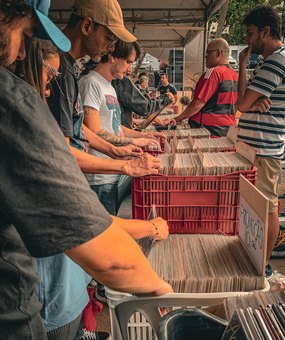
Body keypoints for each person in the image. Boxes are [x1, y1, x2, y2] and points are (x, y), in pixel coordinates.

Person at [0, 1, 172, 339]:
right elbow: (103, 253)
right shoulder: (12, 103)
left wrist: (121, 151)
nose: (20, 55)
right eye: (25, 33)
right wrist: (163, 290)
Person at [47, 0, 161, 178]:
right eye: (109, 38)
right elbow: (63, 150)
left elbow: (77, 128)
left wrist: (114, 150)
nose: (112, 48)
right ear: (86, 26)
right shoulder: (59, 70)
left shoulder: (68, 68)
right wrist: (124, 166)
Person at [236, 5, 285, 270]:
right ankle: (256, 260)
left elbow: (241, 103)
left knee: (266, 208)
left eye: (251, 34)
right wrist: (250, 98)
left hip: (264, 150)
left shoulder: (277, 60)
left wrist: (248, 100)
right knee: (256, 208)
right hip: (256, 148)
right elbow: (247, 100)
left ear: (266, 31)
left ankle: (261, 266)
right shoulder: (268, 60)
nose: (248, 41)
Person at [79, 40, 163, 215]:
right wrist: (133, 141)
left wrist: (145, 138)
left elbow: (116, 126)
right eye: (128, 61)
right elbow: (93, 131)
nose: (130, 68)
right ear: (112, 56)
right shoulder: (90, 83)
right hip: (99, 177)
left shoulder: (108, 86)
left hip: (114, 171)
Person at [175, 38, 238, 137]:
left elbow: (197, 104)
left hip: (207, 130)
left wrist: (178, 118)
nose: (205, 57)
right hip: (227, 130)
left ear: (218, 53)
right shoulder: (235, 75)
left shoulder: (213, 72)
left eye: (208, 53)